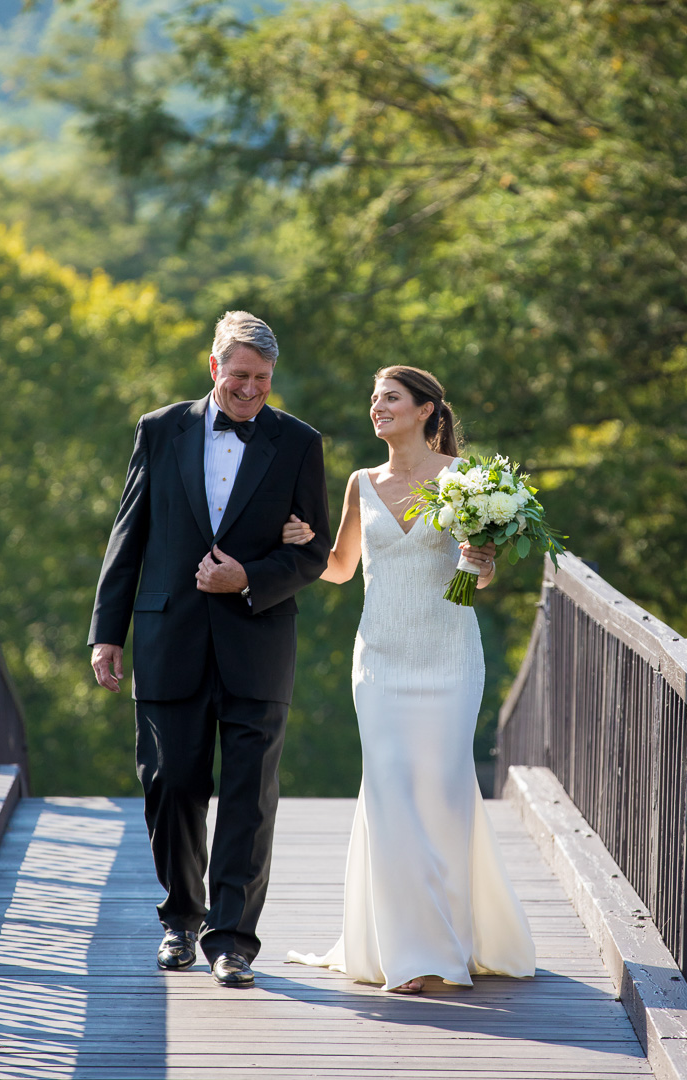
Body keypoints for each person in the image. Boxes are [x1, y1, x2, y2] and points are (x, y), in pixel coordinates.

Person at [88, 311, 330, 986]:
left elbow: (314, 551)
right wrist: (108, 632)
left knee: (251, 797)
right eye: (240, 375)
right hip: (169, 638)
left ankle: (233, 942)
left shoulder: (299, 443)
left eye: (263, 379)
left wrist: (248, 577)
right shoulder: (159, 429)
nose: (252, 389)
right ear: (213, 366)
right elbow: (127, 536)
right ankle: (180, 921)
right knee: (171, 785)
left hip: (259, 642)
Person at [284, 365, 535, 992]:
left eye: (390, 398)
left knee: (444, 794)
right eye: (373, 399)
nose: (377, 407)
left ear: (425, 410)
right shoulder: (360, 484)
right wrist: (303, 543)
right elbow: (341, 569)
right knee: (391, 791)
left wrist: (479, 564)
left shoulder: (465, 483)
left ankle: (452, 937)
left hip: (449, 656)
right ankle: (411, 953)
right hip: (380, 660)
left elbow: (473, 580)